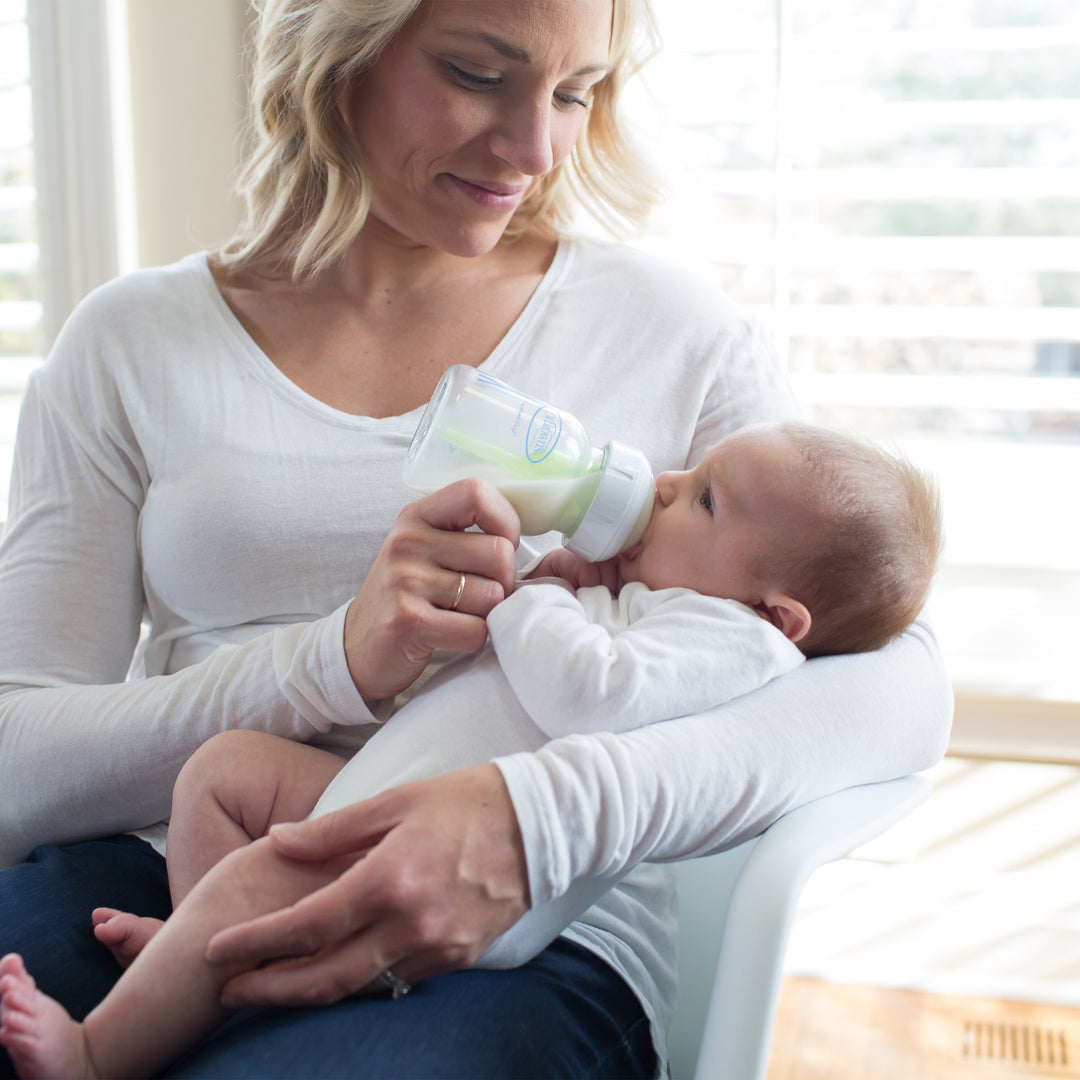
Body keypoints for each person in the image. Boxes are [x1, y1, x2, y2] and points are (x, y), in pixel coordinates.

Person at [0, 0, 953, 1076]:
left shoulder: (673, 332)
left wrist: (532, 820)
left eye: (573, 91)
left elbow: (896, 687)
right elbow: (14, 764)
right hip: (165, 865)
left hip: (522, 932)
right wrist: (331, 664)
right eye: (477, 72)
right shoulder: (132, 343)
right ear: (337, 56)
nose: (537, 148)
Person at [0, 420, 944, 1080]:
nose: (662, 483)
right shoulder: (678, 597)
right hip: (371, 785)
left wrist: (539, 596)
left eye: (703, 500)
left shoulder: (734, 638)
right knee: (225, 772)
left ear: (780, 613)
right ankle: (196, 945)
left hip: (464, 873)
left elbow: (593, 692)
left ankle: (96, 1054)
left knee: (267, 879)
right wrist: (343, 652)